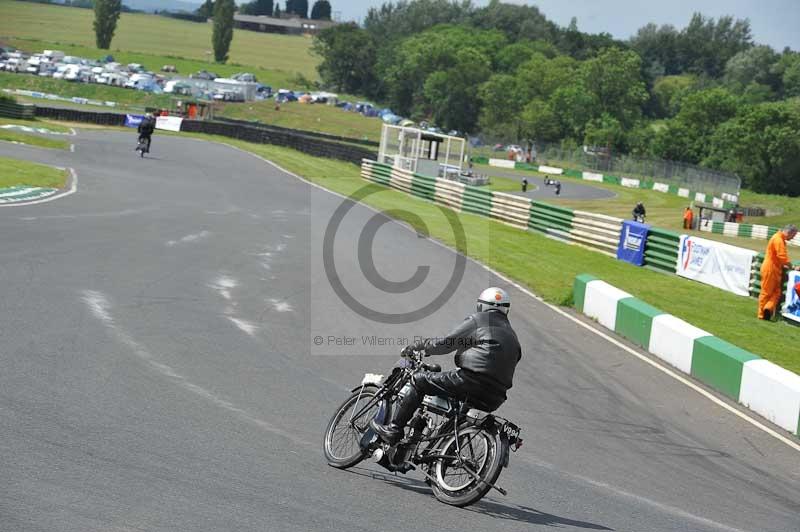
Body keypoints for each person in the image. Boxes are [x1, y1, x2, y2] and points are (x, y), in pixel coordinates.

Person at [371, 287, 522, 445]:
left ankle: (394, 430)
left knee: (419, 380)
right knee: (460, 415)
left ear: (482, 306)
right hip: (496, 396)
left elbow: (446, 343)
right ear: (506, 310)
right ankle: (443, 453)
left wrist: (421, 346)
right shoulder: (512, 335)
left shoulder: (479, 320)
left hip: (470, 381)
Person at [758, 224, 800, 320]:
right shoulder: (778, 239)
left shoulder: (779, 238)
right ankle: (762, 314)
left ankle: (767, 308)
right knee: (766, 292)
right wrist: (792, 266)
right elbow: (782, 256)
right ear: (790, 232)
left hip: (775, 269)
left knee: (777, 292)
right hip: (770, 269)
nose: (793, 237)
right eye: (794, 235)